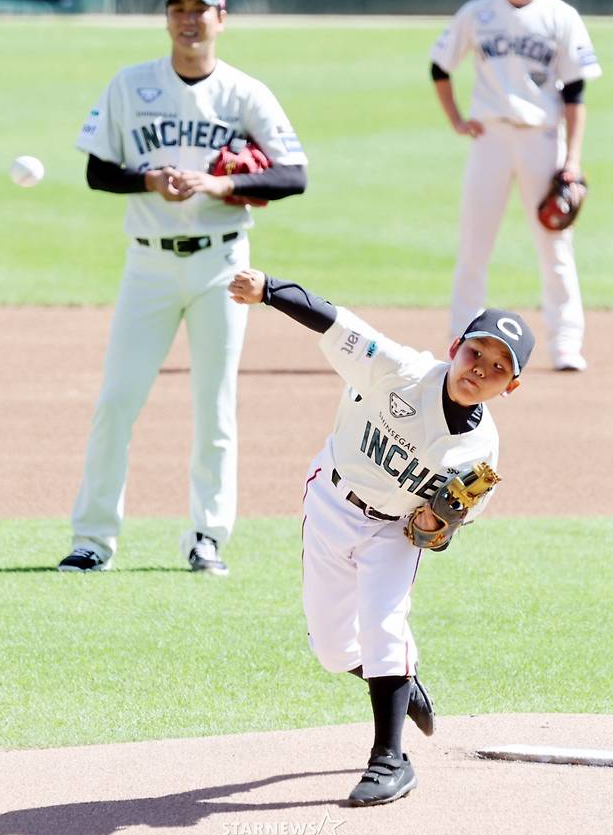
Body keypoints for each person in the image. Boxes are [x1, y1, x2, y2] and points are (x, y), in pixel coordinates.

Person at [228, 267, 534, 806]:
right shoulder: (399, 369)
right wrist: (268, 291)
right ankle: (399, 681)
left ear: (510, 387)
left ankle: (389, 759)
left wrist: (433, 527)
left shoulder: (482, 452)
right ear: (455, 346)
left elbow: (440, 534)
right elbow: (332, 320)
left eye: (497, 368)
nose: (480, 369)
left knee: (384, 625)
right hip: (331, 499)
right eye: (476, 354)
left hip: (392, 532)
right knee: (331, 648)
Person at [57, 0, 307, 576]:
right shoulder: (130, 85)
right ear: (166, 17)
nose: (189, 18)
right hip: (147, 262)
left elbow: (293, 174)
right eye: (178, 7)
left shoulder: (245, 93)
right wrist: (148, 180)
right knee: (117, 400)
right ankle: (93, 539)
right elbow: (97, 171)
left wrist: (220, 182)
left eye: (201, 9)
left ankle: (206, 537)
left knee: (214, 405)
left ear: (222, 19)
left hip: (223, 264)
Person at [430, 0, 601, 372]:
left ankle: (566, 345)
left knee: (555, 244)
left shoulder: (561, 16)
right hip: (489, 138)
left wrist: (572, 159)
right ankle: (460, 341)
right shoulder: (477, 13)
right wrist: (456, 119)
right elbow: (439, 65)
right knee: (474, 244)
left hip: (542, 138)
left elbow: (576, 91)